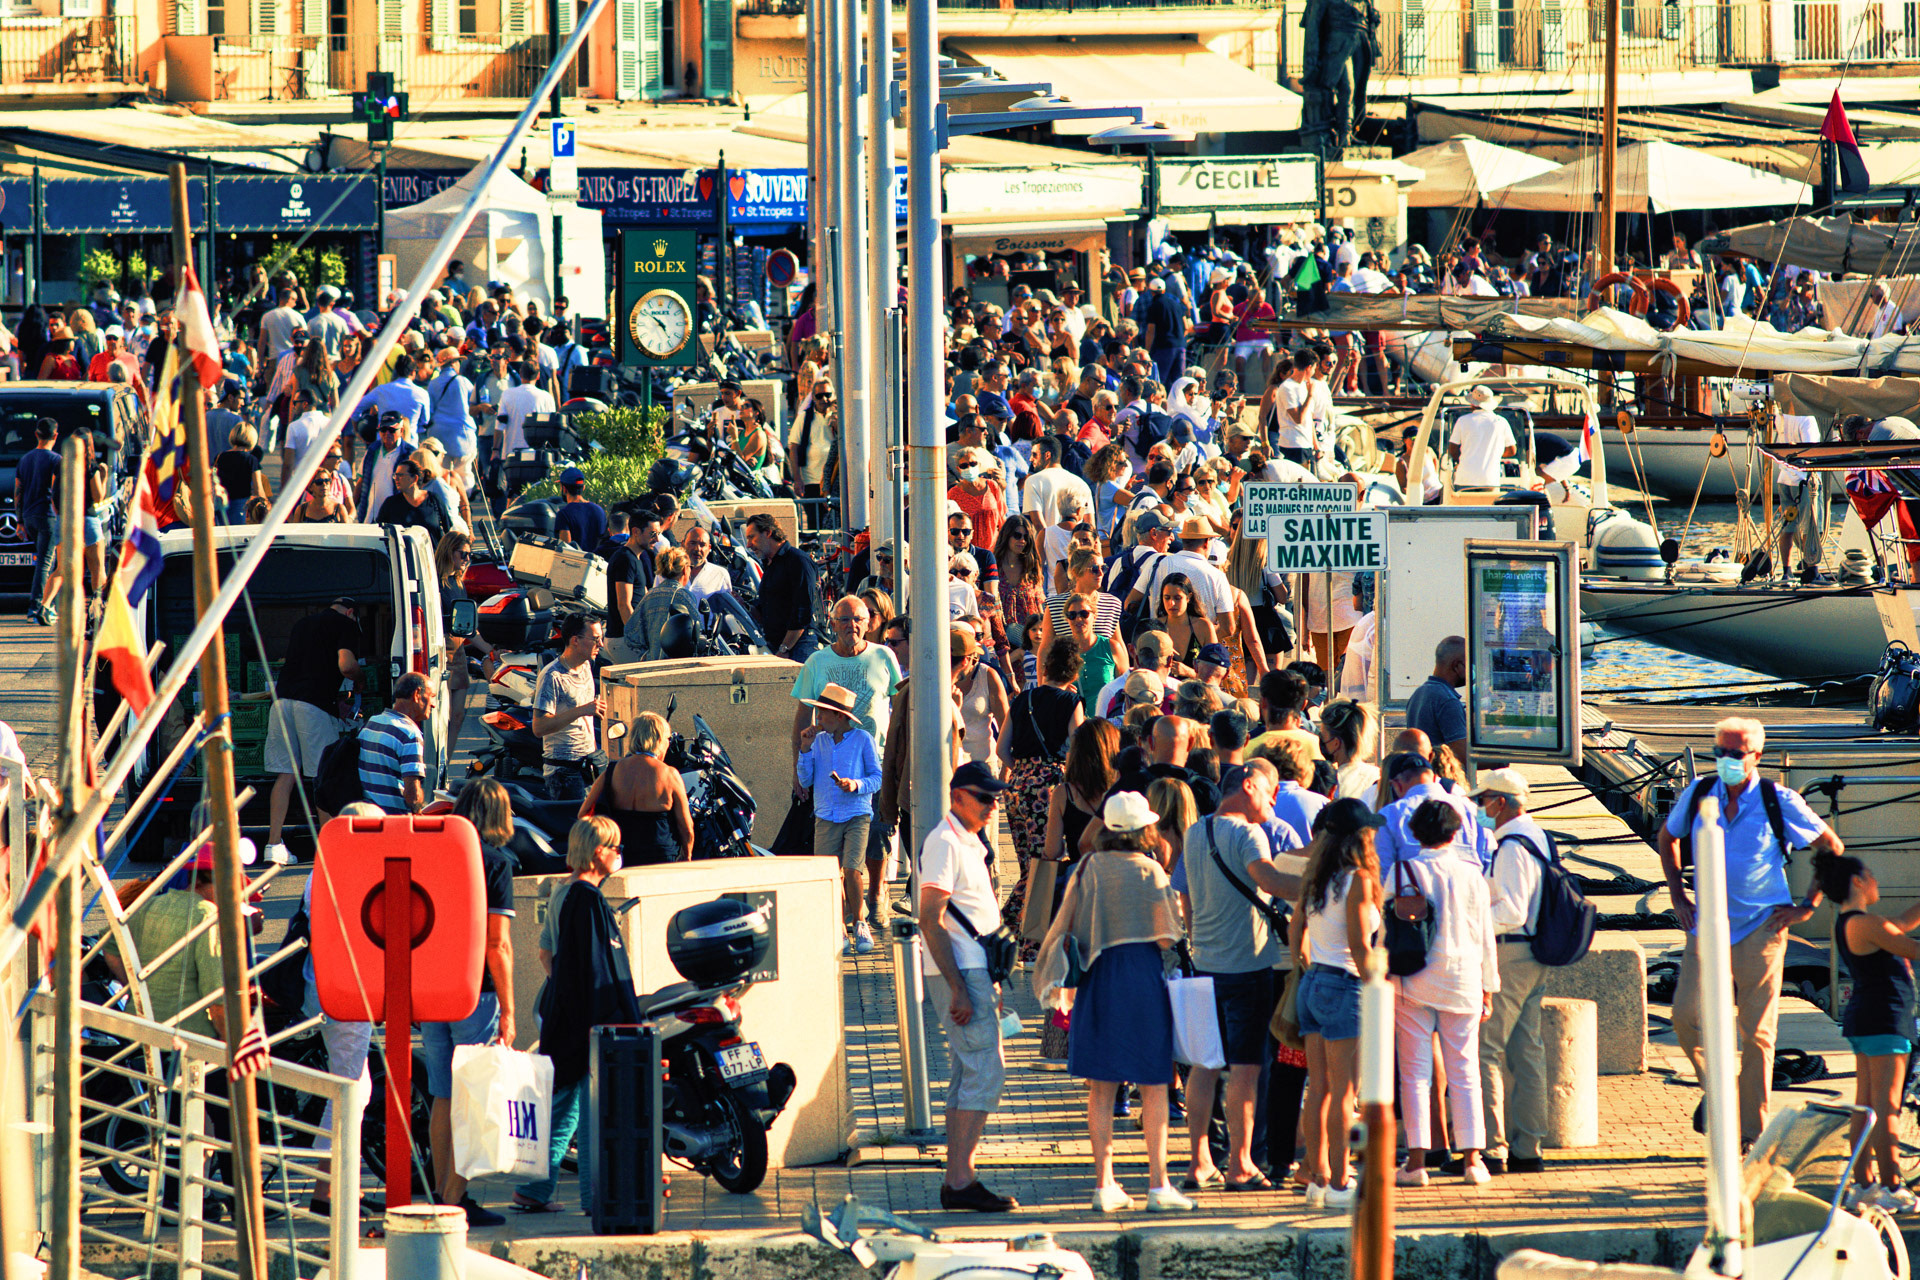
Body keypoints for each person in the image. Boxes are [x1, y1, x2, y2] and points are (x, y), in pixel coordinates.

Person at [1657, 715, 1840, 1145]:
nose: (1726, 760)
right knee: (1685, 1017)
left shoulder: (1779, 800)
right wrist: (1678, 895)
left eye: (1735, 753)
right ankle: (1719, 1093)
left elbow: (1831, 846)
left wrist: (1807, 906)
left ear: (1756, 755)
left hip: (1762, 926)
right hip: (1707, 925)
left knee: (1756, 1034)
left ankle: (1751, 1135)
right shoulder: (1700, 792)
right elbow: (1668, 837)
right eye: (1719, 752)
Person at [1034, 791, 1193, 1213]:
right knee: (1154, 1084)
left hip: (1098, 979)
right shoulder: (1150, 870)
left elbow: (1066, 925)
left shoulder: (1088, 867)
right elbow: (1168, 936)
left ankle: (1105, 1183)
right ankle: (1158, 1184)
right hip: (1143, 980)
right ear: (1144, 829)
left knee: (1102, 1088)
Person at [1180, 759, 1301, 1192]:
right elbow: (1268, 879)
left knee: (1205, 1067)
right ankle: (1240, 1164)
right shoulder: (1249, 834)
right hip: (1247, 968)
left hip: (1205, 964)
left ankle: (1199, 1162)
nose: (1272, 802)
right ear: (1248, 786)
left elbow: (1188, 899)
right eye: (1269, 792)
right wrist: (1321, 885)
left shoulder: (1197, 831)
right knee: (1247, 1072)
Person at [518, 817, 639, 1214]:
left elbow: (546, 954)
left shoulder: (561, 893)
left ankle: (535, 1189)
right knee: (592, 1114)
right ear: (596, 852)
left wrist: (562, 993)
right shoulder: (588, 901)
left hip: (563, 1016)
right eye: (614, 847)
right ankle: (594, 1196)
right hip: (587, 1021)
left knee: (565, 1109)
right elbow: (594, 969)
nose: (619, 854)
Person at [919, 761, 1021, 1213]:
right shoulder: (944, 842)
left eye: (995, 798)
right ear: (957, 795)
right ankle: (960, 1180)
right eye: (984, 797)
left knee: (968, 1071)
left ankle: (959, 1177)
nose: (992, 805)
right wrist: (959, 987)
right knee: (985, 1070)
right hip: (960, 972)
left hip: (974, 971)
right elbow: (930, 919)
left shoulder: (969, 840)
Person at [1393, 800, 1499, 1187]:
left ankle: (1417, 1162)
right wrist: (1489, 986)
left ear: (1414, 833)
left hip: (1413, 980)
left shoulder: (1402, 871)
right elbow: (1485, 934)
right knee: (1465, 1071)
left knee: (1415, 1074)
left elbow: (1383, 926)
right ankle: (1473, 1160)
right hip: (1464, 978)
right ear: (1455, 834)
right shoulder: (1472, 875)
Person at [426, 778, 517, 1227]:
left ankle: (440, 1192)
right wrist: (509, 1010)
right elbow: (497, 944)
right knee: (473, 1098)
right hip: (474, 990)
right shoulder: (496, 863)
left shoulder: (434, 856)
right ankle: (454, 1198)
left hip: (431, 988)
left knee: (443, 1095)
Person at [1809, 848, 1920, 1212]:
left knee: (1867, 1105)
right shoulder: (1867, 924)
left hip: (1868, 1020)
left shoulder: (1852, 922)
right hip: (1884, 1021)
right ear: (1858, 882)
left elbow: (1901, 923)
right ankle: (1891, 1186)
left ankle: (1863, 1184)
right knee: (1887, 1107)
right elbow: (1911, 948)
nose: (1875, 881)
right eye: (1870, 875)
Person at [792, 593, 904, 934]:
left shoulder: (883, 656)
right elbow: (801, 718)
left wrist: (903, 758)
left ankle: (876, 895)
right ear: (832, 623)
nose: (851, 626)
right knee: (833, 843)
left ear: (869, 623)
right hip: (829, 767)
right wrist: (797, 768)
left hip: (877, 762)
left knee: (878, 834)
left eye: (858, 619)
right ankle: (842, 911)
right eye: (844, 619)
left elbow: (900, 707)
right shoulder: (816, 661)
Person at [1293, 797, 1384, 1208]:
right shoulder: (1358, 880)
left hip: (1313, 980)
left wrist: (1307, 964)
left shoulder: (1316, 875)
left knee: (1319, 1088)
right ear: (1361, 837)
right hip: (1344, 983)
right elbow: (1359, 945)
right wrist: (1376, 988)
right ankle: (1340, 1182)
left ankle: (1317, 1177)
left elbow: (1296, 929)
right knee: (1346, 1092)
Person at [1472, 768, 1552, 1177]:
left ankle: (1492, 1146)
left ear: (1499, 803)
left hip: (1511, 953)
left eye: (1482, 800)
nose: (1480, 808)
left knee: (1486, 1048)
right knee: (1527, 1050)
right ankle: (1528, 1145)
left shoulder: (1511, 846)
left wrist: (1470, 920)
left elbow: (1512, 910)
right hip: (1535, 953)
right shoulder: (1538, 836)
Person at [264, 599, 363, 863]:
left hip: (281, 703)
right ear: (351, 612)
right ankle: (328, 848)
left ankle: (273, 845)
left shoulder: (302, 623)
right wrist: (360, 679)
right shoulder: (346, 625)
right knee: (323, 777)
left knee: (286, 774)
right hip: (313, 707)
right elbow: (346, 665)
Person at [997, 639, 1086, 935]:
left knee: (1028, 865)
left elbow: (1001, 750)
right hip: (1048, 786)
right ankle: (1004, 928)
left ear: (1045, 668)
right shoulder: (1072, 702)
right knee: (1042, 866)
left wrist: (1024, 770)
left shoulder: (1022, 699)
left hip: (1017, 785)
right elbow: (1078, 748)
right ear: (1074, 674)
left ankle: (1027, 934)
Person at [796, 682, 884, 954]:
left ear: (839, 716)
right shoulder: (818, 742)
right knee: (830, 874)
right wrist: (805, 748)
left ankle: (860, 922)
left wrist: (855, 784)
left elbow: (877, 778)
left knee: (852, 869)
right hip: (825, 815)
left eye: (823, 713)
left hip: (857, 813)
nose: (819, 717)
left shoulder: (862, 739)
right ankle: (839, 927)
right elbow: (805, 780)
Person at [581, 711, 693, 865]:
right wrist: (687, 856)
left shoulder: (612, 771)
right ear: (659, 740)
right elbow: (686, 827)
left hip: (621, 854)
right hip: (660, 857)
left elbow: (584, 813)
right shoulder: (669, 774)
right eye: (668, 739)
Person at [532, 614, 607, 800]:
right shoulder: (552, 676)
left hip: (589, 765)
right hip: (563, 771)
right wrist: (582, 710)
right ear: (575, 640)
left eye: (601, 638)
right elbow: (539, 727)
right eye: (596, 639)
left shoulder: (586, 666)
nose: (601, 644)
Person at [1376, 750, 1490, 873]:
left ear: (1397, 785)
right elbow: (1490, 859)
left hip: (1413, 884)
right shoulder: (1471, 809)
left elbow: (1383, 871)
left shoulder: (1389, 815)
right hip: (1469, 883)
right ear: (1435, 778)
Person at [357, 671, 433, 815]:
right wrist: (419, 808)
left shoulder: (372, 723)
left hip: (368, 815)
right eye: (431, 696)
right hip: (394, 820)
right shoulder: (409, 734)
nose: (433, 704)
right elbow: (413, 797)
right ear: (417, 694)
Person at [745, 513, 816, 662]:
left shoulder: (798, 560)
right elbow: (767, 610)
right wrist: (743, 604)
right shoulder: (770, 563)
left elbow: (802, 613)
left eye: (752, 537)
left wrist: (785, 649)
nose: (748, 545)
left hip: (798, 646)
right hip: (777, 646)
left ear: (768, 533)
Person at [14, 418, 57, 624]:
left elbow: (18, 492)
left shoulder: (24, 459)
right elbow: (57, 491)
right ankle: (37, 607)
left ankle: (47, 605)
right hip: (48, 515)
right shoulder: (56, 460)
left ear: (36, 434)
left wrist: (19, 521)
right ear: (55, 435)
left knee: (45, 561)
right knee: (46, 562)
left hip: (29, 516)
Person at [1404, 635, 1469, 766]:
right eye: (1470, 665)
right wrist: (1500, 761)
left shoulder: (1419, 693)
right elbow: (1462, 758)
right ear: (1457, 665)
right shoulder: (1447, 700)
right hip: (1444, 776)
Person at [634, 546, 697, 662]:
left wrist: (648, 649)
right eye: (690, 567)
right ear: (684, 569)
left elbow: (631, 632)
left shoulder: (650, 595)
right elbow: (696, 631)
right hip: (676, 663)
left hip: (651, 662)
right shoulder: (684, 595)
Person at [1448, 386, 1516, 488]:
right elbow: (1512, 450)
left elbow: (1453, 449)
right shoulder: (1501, 422)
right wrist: (1493, 454)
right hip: (1490, 479)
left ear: (1472, 404)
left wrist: (1463, 458)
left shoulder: (1462, 421)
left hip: (1464, 478)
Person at [375, 456, 453, 543]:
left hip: (433, 551)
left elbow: (448, 531)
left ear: (415, 478)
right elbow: (378, 532)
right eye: (395, 475)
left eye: (400, 475)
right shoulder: (390, 503)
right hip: (402, 552)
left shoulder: (434, 500)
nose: (396, 479)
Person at [1317, 698, 1380, 805]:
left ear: (1336, 743)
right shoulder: (1378, 775)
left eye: (1323, 736)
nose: (1321, 741)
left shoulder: (1332, 782)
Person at [215, 422, 269, 525]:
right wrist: (266, 505)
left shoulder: (220, 457)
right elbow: (258, 489)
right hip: (241, 505)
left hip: (220, 504)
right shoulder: (251, 460)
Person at [684, 525, 733, 601]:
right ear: (683, 544)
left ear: (709, 548)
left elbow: (726, 605)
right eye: (693, 543)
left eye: (702, 545)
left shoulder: (720, 574)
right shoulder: (670, 571)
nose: (697, 549)